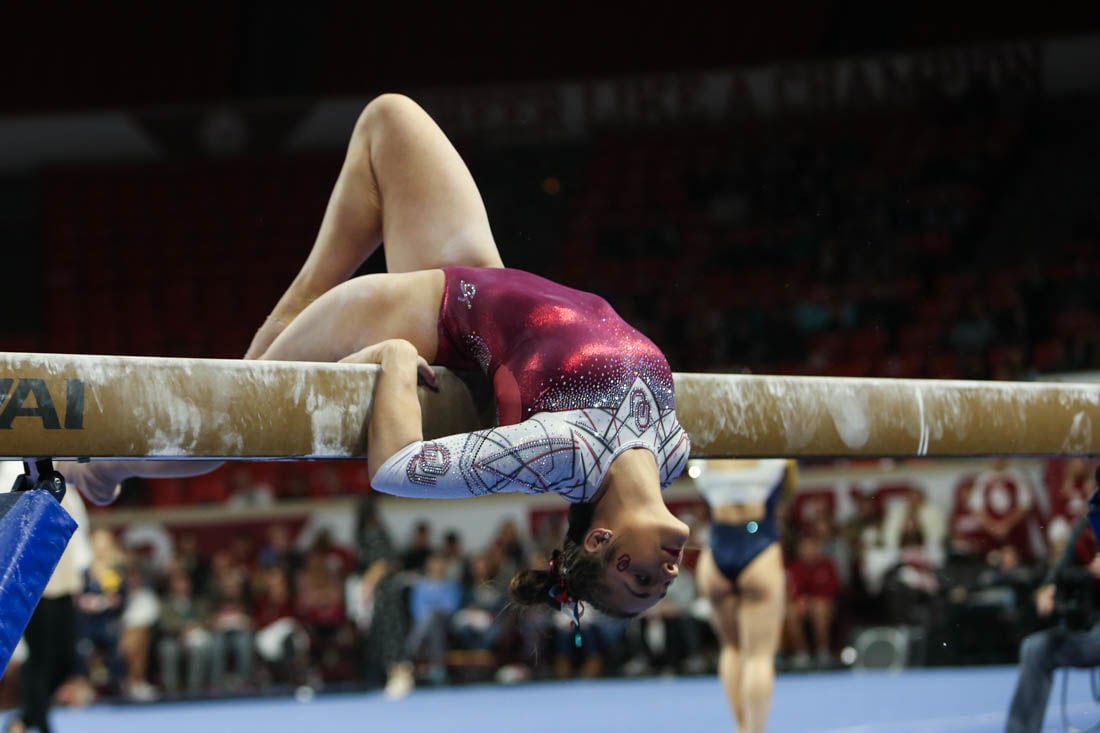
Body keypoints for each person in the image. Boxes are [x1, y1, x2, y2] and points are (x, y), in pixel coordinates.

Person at [59, 93, 692, 619]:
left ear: (603, 540)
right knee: (390, 118)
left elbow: (398, 470)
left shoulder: (565, 457)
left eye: (641, 582)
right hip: (479, 277)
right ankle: (279, 329)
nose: (666, 574)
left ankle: (99, 469)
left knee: (240, 418)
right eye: (660, 587)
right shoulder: (672, 453)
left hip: (418, 312)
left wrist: (391, 355)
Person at [691, 458, 796, 733]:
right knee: (758, 656)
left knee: (732, 648)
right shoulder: (773, 451)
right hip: (758, 548)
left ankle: (740, 727)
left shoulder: (705, 453)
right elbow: (789, 488)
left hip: (716, 554)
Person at [1004, 511, 1100, 733]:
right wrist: (1048, 590)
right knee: (1036, 648)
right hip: (1090, 625)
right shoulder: (1087, 526)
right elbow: (1058, 572)